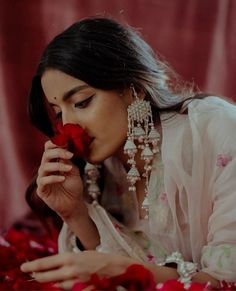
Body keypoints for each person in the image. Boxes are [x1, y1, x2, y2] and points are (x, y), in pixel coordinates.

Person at [20, 16, 236, 289]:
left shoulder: (219, 133)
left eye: (81, 102)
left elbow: (225, 282)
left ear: (133, 90)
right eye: (59, 113)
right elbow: (120, 275)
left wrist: (122, 269)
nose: (69, 125)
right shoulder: (103, 171)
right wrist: (74, 214)